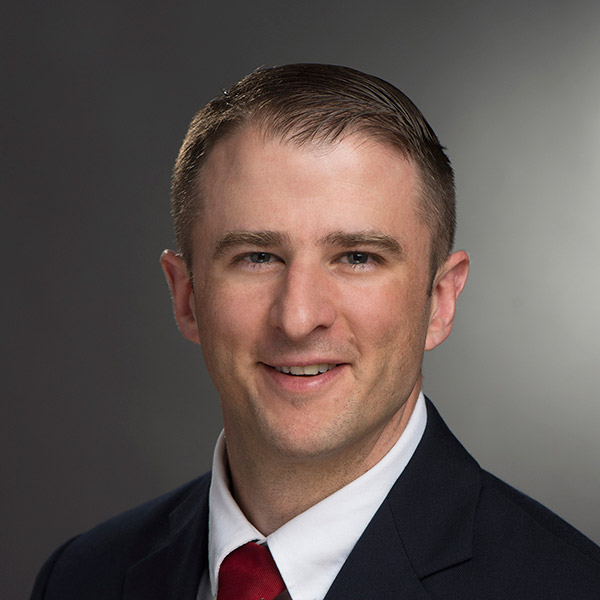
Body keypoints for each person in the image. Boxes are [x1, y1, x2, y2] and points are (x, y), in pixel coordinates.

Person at [31, 64, 600, 600]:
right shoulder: (80, 578)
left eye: (357, 257)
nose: (299, 318)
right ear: (186, 297)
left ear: (440, 301)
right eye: (257, 257)